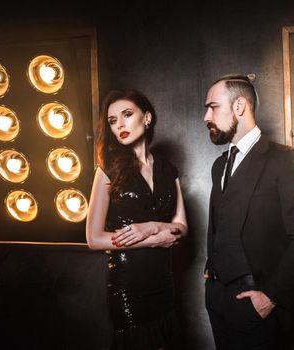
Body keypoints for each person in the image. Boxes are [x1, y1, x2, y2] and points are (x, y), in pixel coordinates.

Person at [203, 75, 294, 350]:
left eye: (213, 107)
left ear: (239, 106)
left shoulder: (285, 159)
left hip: (257, 303)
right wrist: (213, 269)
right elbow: (224, 226)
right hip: (218, 300)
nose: (206, 116)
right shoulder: (219, 166)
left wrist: (271, 296)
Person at [86, 89, 188, 350]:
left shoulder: (168, 169)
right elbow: (94, 238)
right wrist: (149, 240)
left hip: (164, 285)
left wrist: (152, 226)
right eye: (112, 121)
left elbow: (181, 226)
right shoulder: (108, 170)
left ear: (147, 118)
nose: (119, 124)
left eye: (127, 115)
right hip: (128, 286)